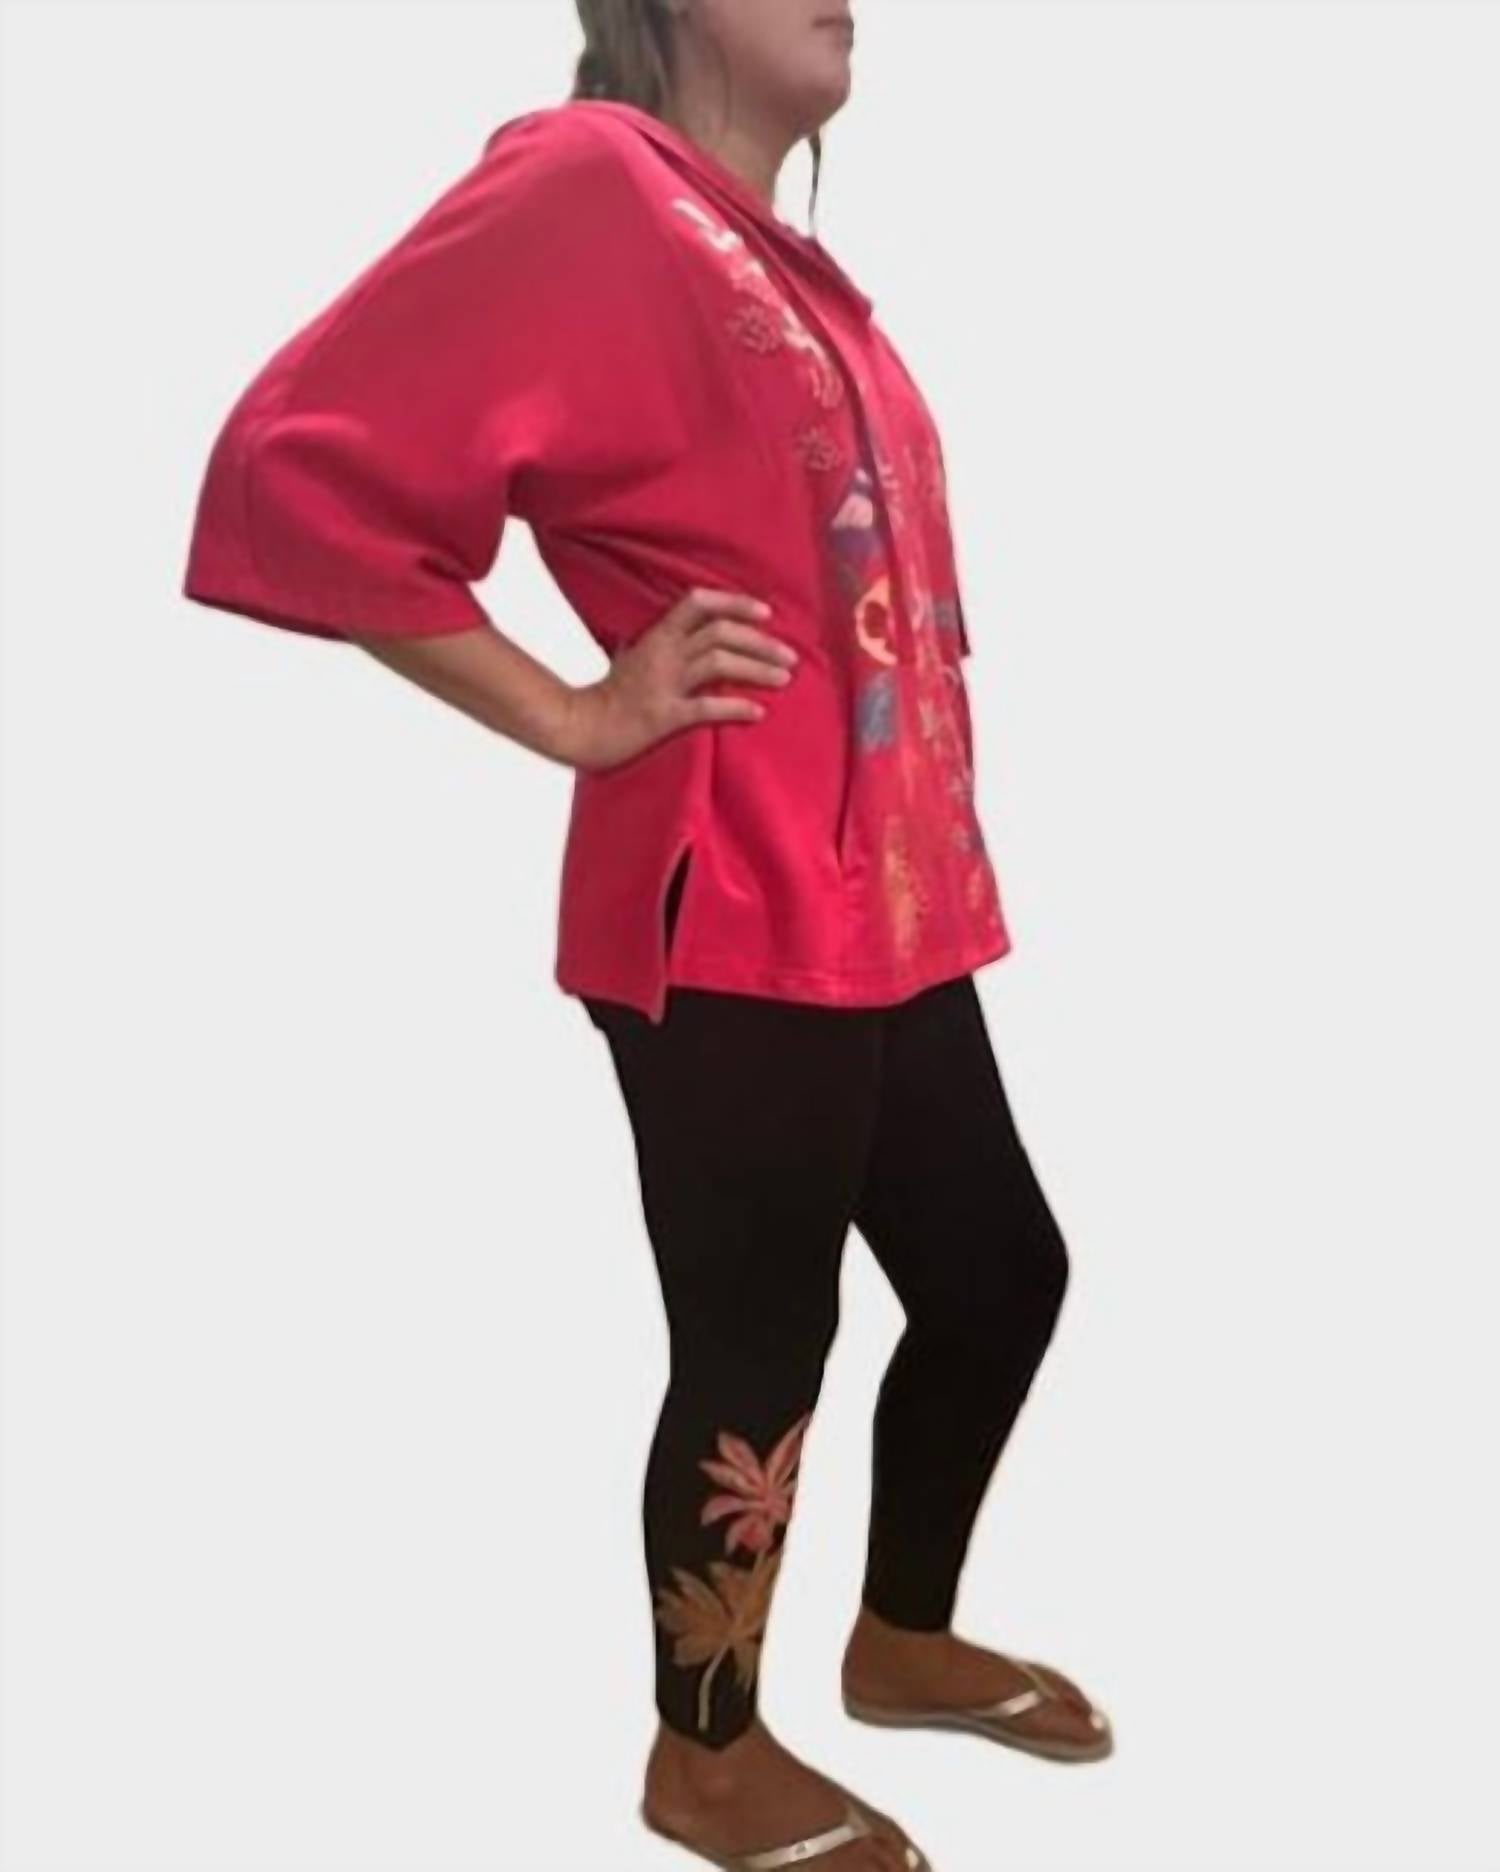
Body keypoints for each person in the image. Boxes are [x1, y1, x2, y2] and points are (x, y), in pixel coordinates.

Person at [181, 2, 1113, 1866]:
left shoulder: (779, 263)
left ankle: (901, 1637)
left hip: (885, 903)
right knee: (760, 1343)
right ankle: (705, 1753)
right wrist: (573, 709)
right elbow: (294, 463)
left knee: (1002, 1275)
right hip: (732, 897)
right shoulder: (591, 184)